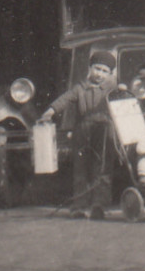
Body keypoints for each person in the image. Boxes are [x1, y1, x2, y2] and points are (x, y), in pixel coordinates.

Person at [40, 49, 117, 218]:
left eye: (105, 71)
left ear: (111, 74)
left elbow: (123, 100)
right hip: (82, 128)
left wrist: (123, 90)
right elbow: (65, 99)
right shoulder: (80, 88)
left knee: (102, 167)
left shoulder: (111, 89)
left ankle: (100, 205)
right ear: (90, 68)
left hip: (104, 130)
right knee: (80, 168)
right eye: (97, 69)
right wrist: (50, 111)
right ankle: (79, 206)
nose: (100, 74)